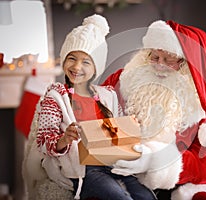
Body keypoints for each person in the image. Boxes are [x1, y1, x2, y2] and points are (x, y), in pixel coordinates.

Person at [102, 20, 206, 199]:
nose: (159, 65)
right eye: (154, 57)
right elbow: (94, 111)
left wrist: (154, 162)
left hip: (173, 187)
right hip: (114, 171)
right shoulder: (125, 78)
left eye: (169, 60)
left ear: (188, 64)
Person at [23, 14, 156, 200]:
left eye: (86, 62)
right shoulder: (56, 96)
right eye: (72, 58)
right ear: (63, 60)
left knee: (146, 196)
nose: (77, 67)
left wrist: (131, 129)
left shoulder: (107, 95)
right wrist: (64, 139)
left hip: (112, 162)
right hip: (84, 170)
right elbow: (43, 142)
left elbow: (117, 133)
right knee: (120, 197)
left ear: (96, 68)